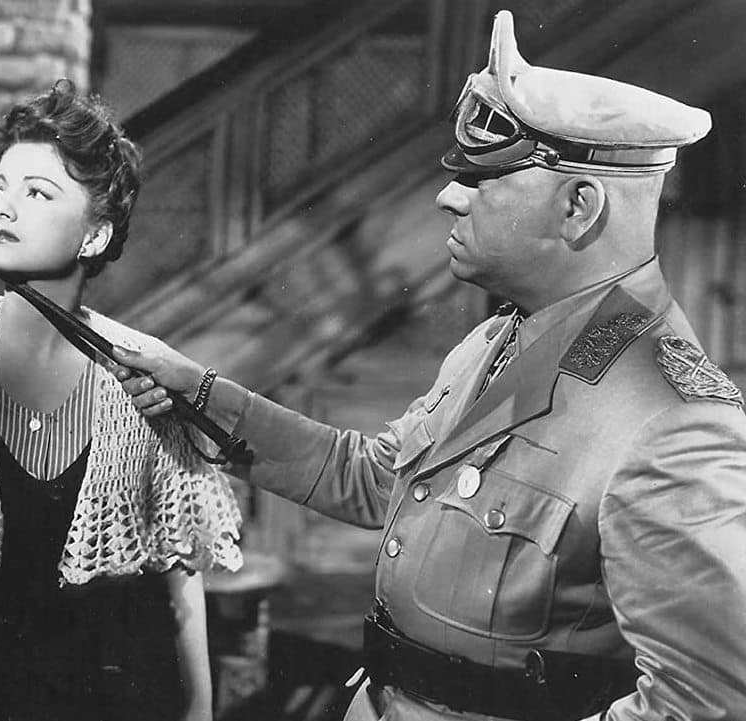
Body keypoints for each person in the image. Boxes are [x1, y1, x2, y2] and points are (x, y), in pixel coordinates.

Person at [113, 11, 746, 721]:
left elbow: (709, 700)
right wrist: (198, 393)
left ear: (579, 206)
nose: (449, 195)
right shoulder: (498, 340)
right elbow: (374, 477)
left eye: (483, 178)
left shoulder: (671, 419)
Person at [0, 80, 243, 721]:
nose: (2, 208)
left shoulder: (147, 369)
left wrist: (199, 710)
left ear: (95, 235)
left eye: (37, 193)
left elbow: (180, 568)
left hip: (123, 700)